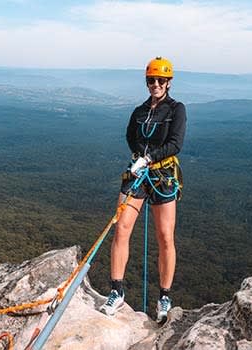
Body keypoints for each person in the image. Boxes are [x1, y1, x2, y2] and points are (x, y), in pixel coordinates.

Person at [99, 57, 187, 323]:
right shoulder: (139, 111)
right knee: (121, 227)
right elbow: (130, 136)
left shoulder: (176, 109)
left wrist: (149, 159)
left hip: (162, 176)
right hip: (138, 174)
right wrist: (139, 157)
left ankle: (164, 297)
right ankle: (116, 291)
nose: (155, 85)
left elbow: (176, 143)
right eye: (151, 80)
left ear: (169, 83)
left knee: (164, 236)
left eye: (161, 80)